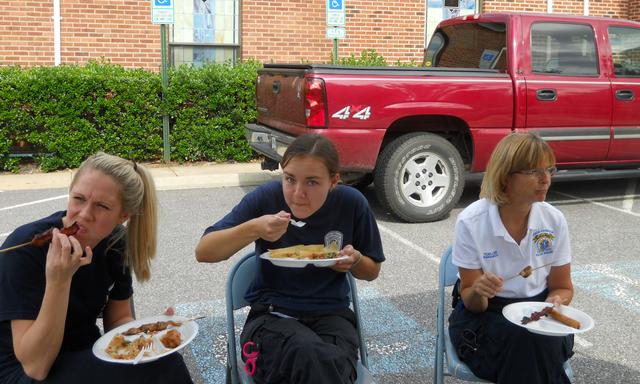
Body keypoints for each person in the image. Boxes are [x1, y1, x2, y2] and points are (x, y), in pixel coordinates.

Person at [196, 134, 385, 384]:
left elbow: (371, 271)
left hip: (332, 317)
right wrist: (254, 228)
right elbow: (204, 251)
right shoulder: (267, 198)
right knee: (314, 359)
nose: (298, 193)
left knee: (318, 362)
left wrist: (356, 260)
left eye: (312, 182)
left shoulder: (352, 204)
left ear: (333, 181)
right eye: (290, 179)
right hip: (270, 318)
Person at [0, 153, 193, 384]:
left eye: (101, 206)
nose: (84, 214)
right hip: (23, 370)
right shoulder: (25, 248)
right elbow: (35, 366)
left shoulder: (115, 244)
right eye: (78, 198)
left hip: (84, 352)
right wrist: (59, 281)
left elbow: (119, 318)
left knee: (164, 363)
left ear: (123, 216)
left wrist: (149, 331)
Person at [448, 132, 574, 384]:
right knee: (528, 344)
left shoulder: (553, 220)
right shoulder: (472, 222)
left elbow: (562, 287)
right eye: (534, 172)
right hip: (486, 315)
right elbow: (473, 303)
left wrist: (555, 302)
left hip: (540, 311)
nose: (545, 179)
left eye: (549, 169)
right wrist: (480, 291)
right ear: (505, 176)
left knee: (531, 341)